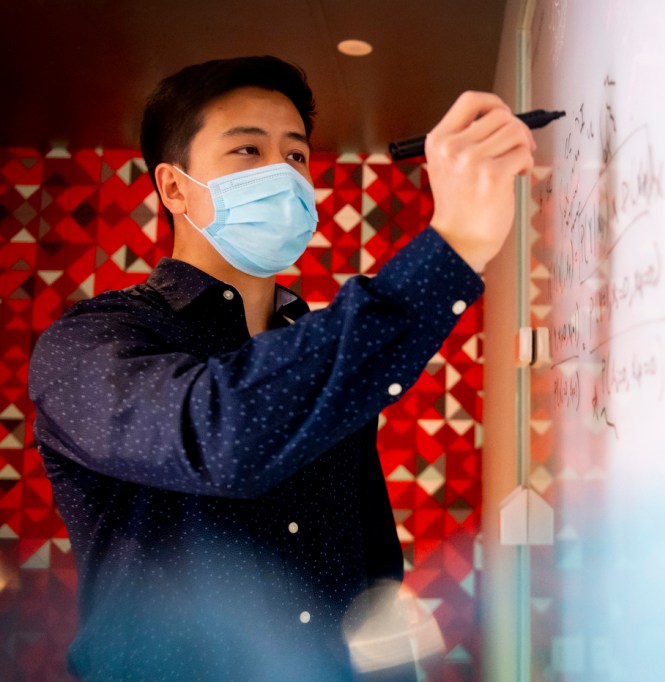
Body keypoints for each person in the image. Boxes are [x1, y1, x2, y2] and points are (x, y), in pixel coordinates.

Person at [27, 55, 534, 680]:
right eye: (247, 150)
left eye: (296, 156)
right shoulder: (91, 342)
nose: (283, 173)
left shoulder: (314, 347)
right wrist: (451, 246)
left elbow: (370, 570)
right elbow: (224, 432)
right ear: (174, 187)